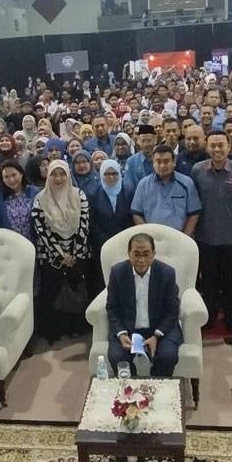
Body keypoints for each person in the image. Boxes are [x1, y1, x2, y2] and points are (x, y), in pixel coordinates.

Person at [191, 131, 232, 330]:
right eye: (213, 145)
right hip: (205, 238)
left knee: (231, 282)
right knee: (209, 281)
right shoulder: (197, 170)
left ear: (229, 146)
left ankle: (229, 316)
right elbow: (192, 205)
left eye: (221, 145)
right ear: (207, 147)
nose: (217, 149)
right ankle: (210, 317)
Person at [105, 233, 182, 377]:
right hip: (128, 328)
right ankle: (131, 392)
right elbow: (112, 308)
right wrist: (121, 334)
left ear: (154, 254)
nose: (141, 259)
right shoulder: (118, 273)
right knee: (116, 356)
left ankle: (157, 390)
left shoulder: (167, 273)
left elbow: (172, 310)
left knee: (167, 356)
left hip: (160, 328)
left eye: (146, 254)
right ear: (129, 254)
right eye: (136, 254)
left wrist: (157, 336)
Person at [31, 159, 91, 342]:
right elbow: (41, 230)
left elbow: (84, 225)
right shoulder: (40, 199)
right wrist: (60, 255)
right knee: (54, 292)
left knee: (75, 291)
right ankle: (57, 330)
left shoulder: (79, 195)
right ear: (48, 176)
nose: (58, 178)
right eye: (54, 174)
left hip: (77, 254)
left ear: (68, 175)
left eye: (62, 174)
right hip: (52, 256)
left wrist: (73, 254)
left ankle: (77, 328)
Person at [87, 159, 133, 294]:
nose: (111, 177)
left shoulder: (128, 192)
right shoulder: (94, 194)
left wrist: (122, 241)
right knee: (104, 278)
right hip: (101, 246)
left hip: (125, 244)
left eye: (114, 173)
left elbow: (131, 218)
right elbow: (92, 222)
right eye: (107, 174)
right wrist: (105, 241)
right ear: (101, 174)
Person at [131, 145, 201, 235]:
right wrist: (147, 236)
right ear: (153, 163)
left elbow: (193, 214)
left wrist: (185, 237)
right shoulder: (143, 184)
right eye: (158, 162)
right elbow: (137, 214)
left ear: (174, 162)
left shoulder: (187, 183)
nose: (162, 166)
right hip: (151, 239)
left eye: (166, 161)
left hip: (180, 237)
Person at [0, 161, 40, 239]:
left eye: (14, 175)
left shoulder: (34, 192)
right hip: (10, 244)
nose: (11, 180)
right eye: (6, 177)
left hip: (34, 242)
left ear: (21, 174)